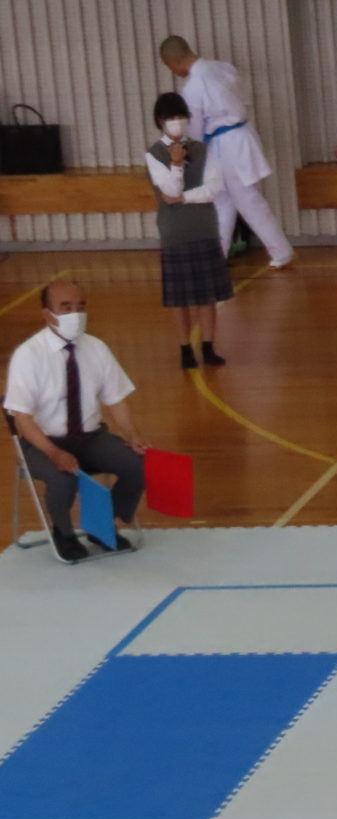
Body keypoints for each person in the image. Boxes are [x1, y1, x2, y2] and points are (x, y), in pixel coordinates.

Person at [4, 281, 150, 564]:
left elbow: (116, 399)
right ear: (48, 314)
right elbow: (21, 419)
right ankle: (63, 533)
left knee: (137, 462)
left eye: (80, 306)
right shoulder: (29, 355)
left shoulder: (96, 348)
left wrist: (132, 434)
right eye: (66, 307)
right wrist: (54, 452)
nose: (76, 313)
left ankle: (102, 525)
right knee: (62, 476)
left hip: (90, 438)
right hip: (43, 442)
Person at [158, 35, 294, 271]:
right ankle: (215, 257)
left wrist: (188, 153)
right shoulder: (222, 68)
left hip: (226, 144)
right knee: (222, 200)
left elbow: (196, 127)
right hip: (237, 136)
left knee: (246, 199)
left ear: (174, 61)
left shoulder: (193, 87)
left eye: (169, 66)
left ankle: (281, 251)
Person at [144, 92, 232, 370]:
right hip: (174, 232)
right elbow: (167, 190)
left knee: (207, 296)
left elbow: (213, 188)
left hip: (204, 227)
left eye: (181, 117)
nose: (178, 123)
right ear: (160, 121)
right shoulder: (154, 154)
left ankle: (208, 346)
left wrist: (184, 198)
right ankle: (184, 349)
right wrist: (176, 164)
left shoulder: (204, 150)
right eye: (171, 118)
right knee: (179, 298)